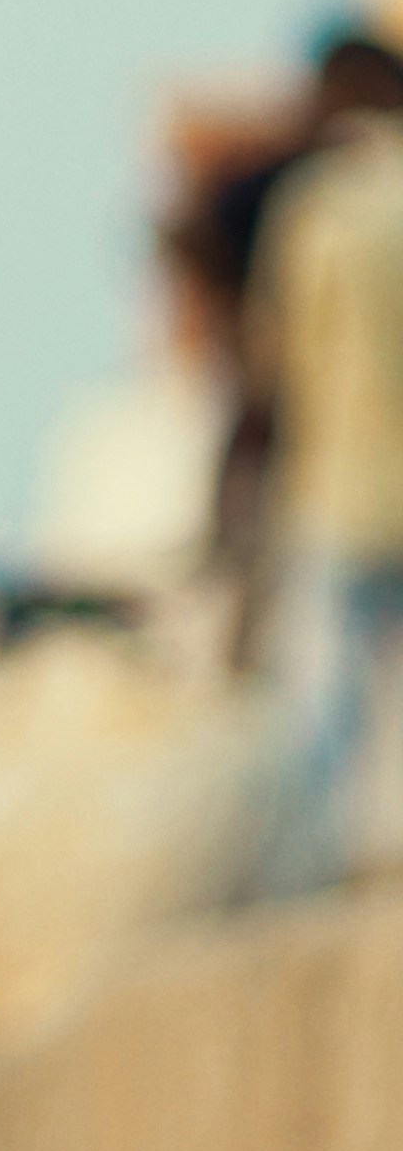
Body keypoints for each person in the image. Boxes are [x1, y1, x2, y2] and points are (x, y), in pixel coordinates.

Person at [247, 51, 403, 863]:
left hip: (344, 488)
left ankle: (331, 865)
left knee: (329, 699)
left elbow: (285, 361)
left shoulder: (322, 208)